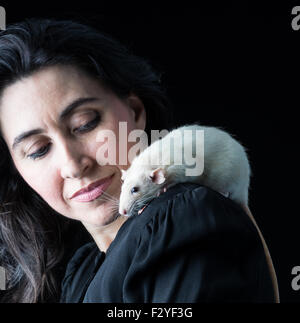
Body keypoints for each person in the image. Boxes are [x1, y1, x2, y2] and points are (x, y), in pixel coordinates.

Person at [0, 18, 279, 303]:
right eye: (37, 149)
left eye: (86, 124)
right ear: (16, 167)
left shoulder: (179, 218)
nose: (73, 165)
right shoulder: (82, 270)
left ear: (134, 111)